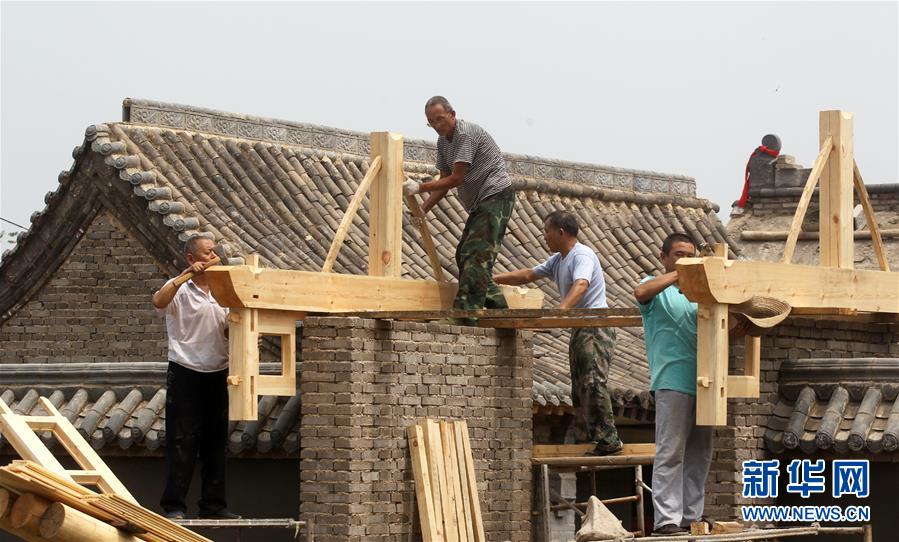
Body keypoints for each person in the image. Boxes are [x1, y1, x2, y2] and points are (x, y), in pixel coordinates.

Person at [634, 233, 746, 536]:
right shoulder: (656, 288)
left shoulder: (700, 296)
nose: (684, 259)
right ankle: (666, 520)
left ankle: (690, 516)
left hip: (705, 382)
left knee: (700, 453)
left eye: (690, 255)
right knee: (671, 452)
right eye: (679, 255)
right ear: (664, 257)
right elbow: (640, 292)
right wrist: (681, 273)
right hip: (672, 381)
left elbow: (721, 329)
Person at [494, 210, 622, 455]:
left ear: (560, 232)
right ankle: (589, 438)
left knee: (593, 381)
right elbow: (527, 275)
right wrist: (492, 279)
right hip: (580, 327)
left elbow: (581, 284)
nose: (544, 236)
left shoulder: (582, 255)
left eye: (546, 231)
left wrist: (561, 310)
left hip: (595, 326)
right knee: (579, 385)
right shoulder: (558, 260)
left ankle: (609, 439)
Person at [404, 96, 515, 325]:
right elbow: (444, 181)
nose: (437, 126)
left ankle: (464, 315)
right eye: (431, 122)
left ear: (452, 114)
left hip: (496, 196)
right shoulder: (443, 142)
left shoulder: (465, 135)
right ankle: (499, 309)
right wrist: (423, 209)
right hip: (481, 203)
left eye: (440, 119)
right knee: (464, 255)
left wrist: (420, 187)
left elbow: (457, 178)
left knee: (475, 254)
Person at [152, 234, 239, 520]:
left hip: (218, 371)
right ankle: (174, 506)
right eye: (206, 253)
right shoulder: (179, 289)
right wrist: (185, 275)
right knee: (182, 441)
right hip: (185, 371)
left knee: (216, 442)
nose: (213, 257)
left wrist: (246, 337)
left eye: (214, 252)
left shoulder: (223, 290)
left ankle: (214, 506)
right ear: (191, 258)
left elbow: (227, 330)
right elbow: (158, 301)